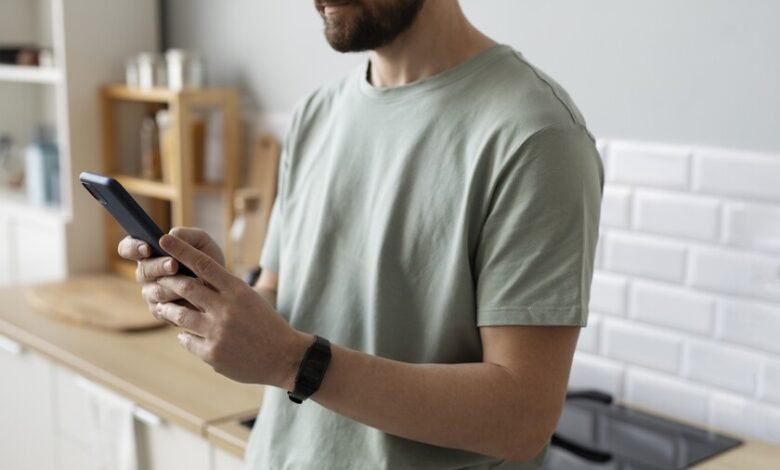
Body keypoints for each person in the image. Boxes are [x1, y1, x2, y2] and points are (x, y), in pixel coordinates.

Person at [118, 1, 604, 468]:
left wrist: (295, 362)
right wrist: (218, 299)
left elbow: (520, 420)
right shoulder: (316, 115)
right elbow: (279, 295)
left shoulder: (535, 136)